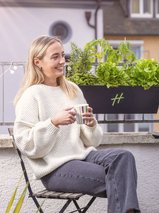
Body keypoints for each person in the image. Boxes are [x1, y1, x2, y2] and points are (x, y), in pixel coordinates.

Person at [13, 35, 140, 213]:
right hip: (55, 169)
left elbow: (93, 142)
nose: (62, 61)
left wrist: (90, 124)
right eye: (55, 56)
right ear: (37, 62)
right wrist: (53, 123)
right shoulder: (31, 95)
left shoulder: (71, 89)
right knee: (122, 178)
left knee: (124, 157)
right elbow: (26, 144)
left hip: (83, 156)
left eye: (63, 55)